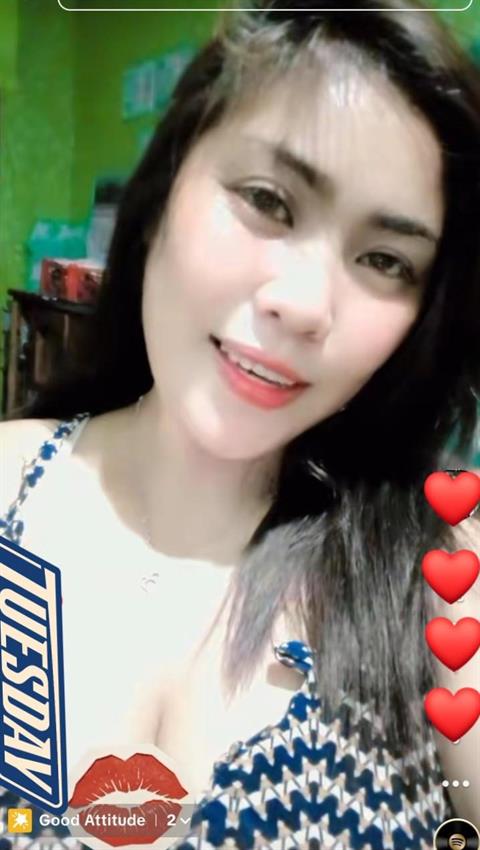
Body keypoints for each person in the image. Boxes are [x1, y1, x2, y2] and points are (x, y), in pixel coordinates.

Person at [1, 0, 480, 847]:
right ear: (164, 189)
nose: (304, 304)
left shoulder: (442, 578)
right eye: (268, 200)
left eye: (384, 260)